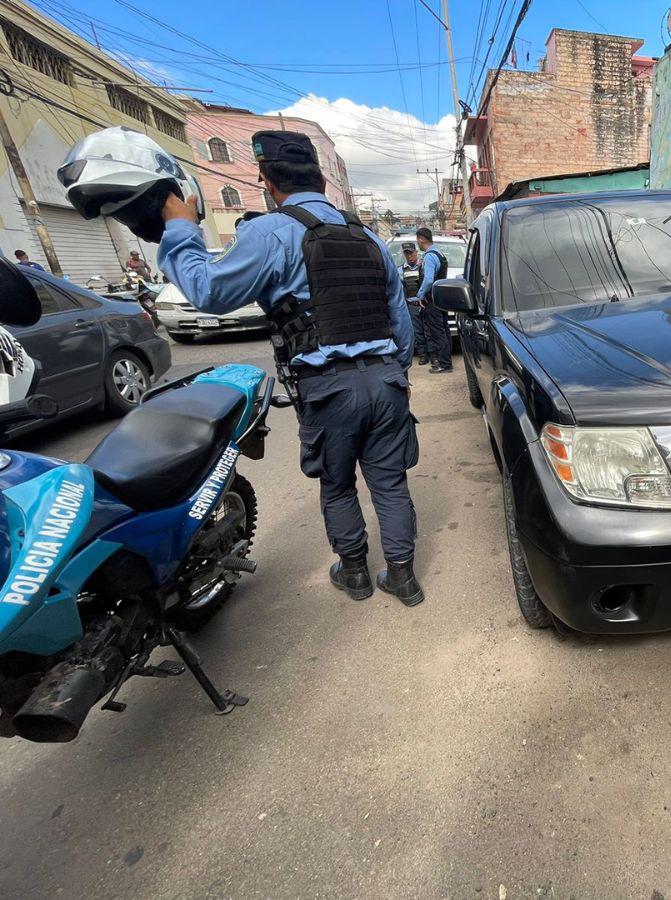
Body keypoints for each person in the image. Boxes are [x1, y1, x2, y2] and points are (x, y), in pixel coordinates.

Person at [157, 129, 425, 607]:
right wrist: (395, 375)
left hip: (328, 388)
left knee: (338, 484)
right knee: (390, 482)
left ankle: (356, 574)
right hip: (386, 379)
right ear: (322, 179)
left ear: (265, 181)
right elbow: (399, 320)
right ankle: (402, 577)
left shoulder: (267, 233)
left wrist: (180, 227)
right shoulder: (368, 238)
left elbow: (208, 292)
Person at [415, 227, 451, 374]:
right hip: (441, 298)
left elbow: (429, 279)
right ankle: (447, 362)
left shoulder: (430, 256)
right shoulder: (439, 253)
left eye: (417, 240)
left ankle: (444, 364)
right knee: (444, 330)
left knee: (437, 332)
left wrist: (421, 295)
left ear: (420, 239)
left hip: (433, 300)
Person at [400, 242, 427, 366]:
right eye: (407, 254)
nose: (409, 256)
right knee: (417, 332)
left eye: (411, 253)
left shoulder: (423, 266)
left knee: (429, 330)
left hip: (426, 304)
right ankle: (423, 355)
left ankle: (434, 355)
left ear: (416, 253)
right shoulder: (400, 270)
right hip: (412, 305)